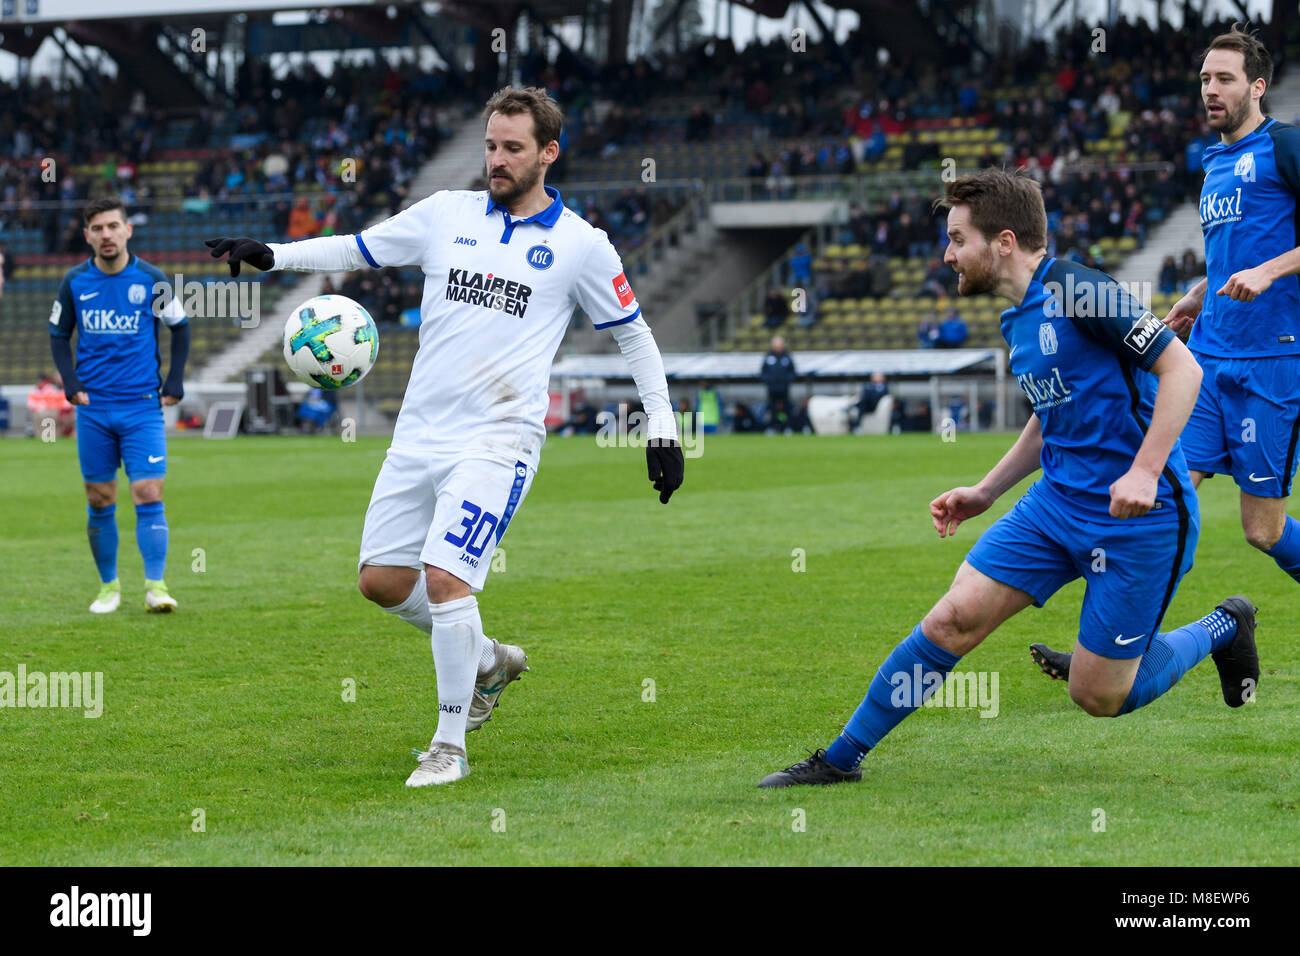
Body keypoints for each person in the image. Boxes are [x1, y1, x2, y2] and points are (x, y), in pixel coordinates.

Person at [207, 86, 684, 789]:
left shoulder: (582, 246)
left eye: (512, 148)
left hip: (499, 438)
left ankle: (449, 746)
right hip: (420, 432)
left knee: (447, 576)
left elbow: (634, 337)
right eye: (491, 145)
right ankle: (489, 659)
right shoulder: (446, 215)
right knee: (381, 580)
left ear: (548, 153)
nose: (496, 159)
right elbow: (358, 248)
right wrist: (273, 254)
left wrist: (663, 428)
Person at [760, 169, 1257, 788]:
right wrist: (986, 491)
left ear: (1002, 241)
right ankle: (840, 759)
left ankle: (1224, 626)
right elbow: (1050, 417)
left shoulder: (1080, 289)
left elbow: (1183, 370)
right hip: (1054, 504)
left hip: (1140, 517)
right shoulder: (1016, 317)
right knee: (951, 620)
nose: (947, 254)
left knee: (1100, 696)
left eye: (957, 238)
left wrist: (1145, 470)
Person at [1158, 24, 1300, 606]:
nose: (1210, 90)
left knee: (1261, 531)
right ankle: (1114, 651)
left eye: (1224, 79)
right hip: (1208, 360)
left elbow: (1261, 259)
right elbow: (1230, 259)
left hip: (1273, 361)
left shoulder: (1285, 146)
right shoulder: (1214, 162)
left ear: (1257, 87)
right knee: (1165, 504)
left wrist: (1270, 271)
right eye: (1204, 80)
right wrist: (1198, 294)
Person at [48, 198, 190, 615]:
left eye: (113, 226)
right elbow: (58, 335)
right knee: (99, 498)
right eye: (97, 228)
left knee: (148, 490)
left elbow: (179, 328)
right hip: (94, 407)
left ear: (128, 230)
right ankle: (108, 587)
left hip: (142, 405)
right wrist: (71, 383)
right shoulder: (74, 281)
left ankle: (156, 586)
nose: (106, 235)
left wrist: (175, 381)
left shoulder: (152, 278)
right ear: (87, 235)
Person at [760, 335, 795, 417]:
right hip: (772, 388)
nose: (778, 347)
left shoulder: (787, 356)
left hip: (784, 388)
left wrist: (787, 381)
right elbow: (763, 371)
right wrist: (768, 381)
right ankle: (773, 425)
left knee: (785, 407)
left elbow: (792, 371)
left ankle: (784, 425)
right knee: (772, 407)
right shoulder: (768, 357)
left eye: (779, 345)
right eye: (776, 345)